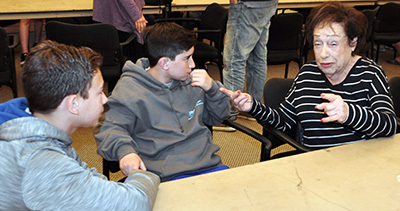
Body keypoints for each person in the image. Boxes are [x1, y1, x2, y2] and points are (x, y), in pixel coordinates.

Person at [0, 40, 159, 210]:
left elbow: (89, 182)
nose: (106, 99)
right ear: (73, 104)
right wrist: (143, 175)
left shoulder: (35, 130)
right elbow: (135, 203)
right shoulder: (42, 163)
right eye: (99, 92)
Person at [220, 1, 397, 149]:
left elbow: (389, 125)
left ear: (353, 42)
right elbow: (283, 121)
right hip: (312, 165)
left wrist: (349, 113)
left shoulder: (370, 73)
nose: (323, 53)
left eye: (333, 43)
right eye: (318, 44)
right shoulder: (307, 74)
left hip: (357, 166)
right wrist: (253, 107)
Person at [95, 22, 230, 182]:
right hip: (163, 177)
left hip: (209, 168)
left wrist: (212, 89)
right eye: (186, 59)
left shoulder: (193, 81)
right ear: (164, 63)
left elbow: (219, 116)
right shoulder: (130, 89)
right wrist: (125, 151)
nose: (193, 65)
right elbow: (109, 127)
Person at [222, 0, 278, 120]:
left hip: (247, 5)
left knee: (234, 59)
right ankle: (253, 107)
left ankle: (229, 113)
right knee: (257, 56)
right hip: (267, 4)